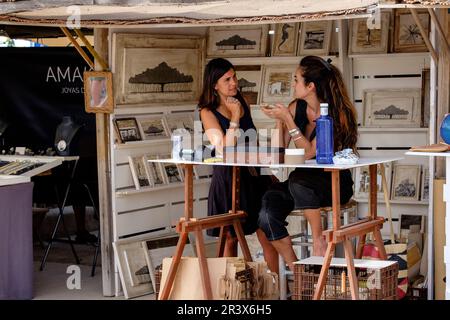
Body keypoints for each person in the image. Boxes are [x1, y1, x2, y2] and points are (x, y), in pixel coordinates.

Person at [258, 55, 358, 272]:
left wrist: (289, 121)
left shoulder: (336, 113)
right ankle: (299, 272)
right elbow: (278, 151)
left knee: (299, 181)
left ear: (310, 86)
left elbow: (310, 153)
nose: (293, 85)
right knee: (267, 207)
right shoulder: (296, 107)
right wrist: (279, 119)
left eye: (296, 80)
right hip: (300, 184)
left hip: (333, 183)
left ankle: (318, 241)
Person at [198, 58, 278, 266]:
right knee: (230, 236)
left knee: (266, 233)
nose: (234, 82)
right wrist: (234, 117)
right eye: (227, 79)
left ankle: (274, 289)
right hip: (228, 179)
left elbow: (253, 141)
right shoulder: (207, 111)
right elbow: (223, 148)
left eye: (234, 77)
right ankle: (228, 290)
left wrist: (266, 171)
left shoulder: (242, 102)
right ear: (214, 85)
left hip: (253, 176)